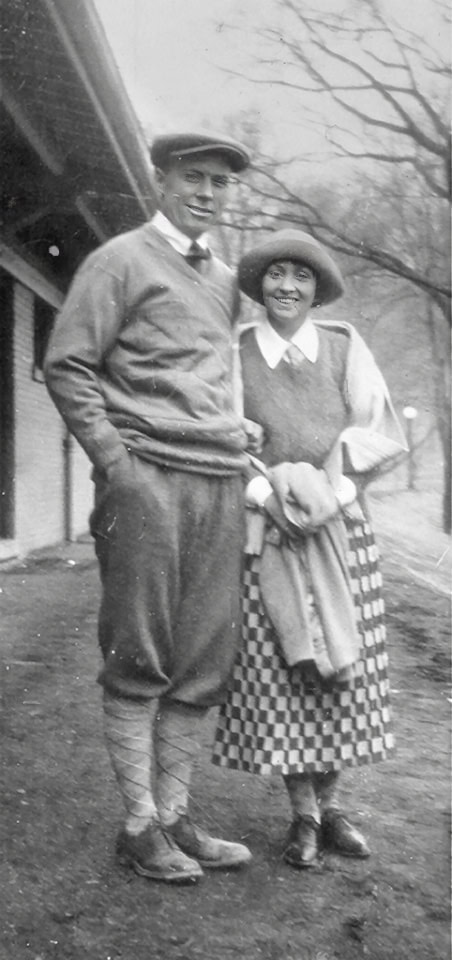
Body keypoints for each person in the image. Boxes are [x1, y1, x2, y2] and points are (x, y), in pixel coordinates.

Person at [44, 131, 254, 885]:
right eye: (193, 177)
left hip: (219, 479)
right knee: (140, 648)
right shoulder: (120, 259)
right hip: (147, 476)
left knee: (203, 652)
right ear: (159, 181)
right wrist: (114, 463)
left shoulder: (230, 281)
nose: (207, 192)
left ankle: (174, 815)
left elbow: (218, 378)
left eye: (220, 183)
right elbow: (66, 364)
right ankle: (138, 824)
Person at [212, 228, 407, 869]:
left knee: (342, 670)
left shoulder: (344, 346)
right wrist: (269, 495)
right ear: (260, 284)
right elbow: (227, 437)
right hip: (268, 525)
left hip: (339, 522)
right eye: (275, 275)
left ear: (317, 288)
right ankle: (302, 815)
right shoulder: (238, 349)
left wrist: (335, 492)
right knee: (288, 670)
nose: (287, 287)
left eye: (300, 276)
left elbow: (373, 427)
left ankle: (334, 807)